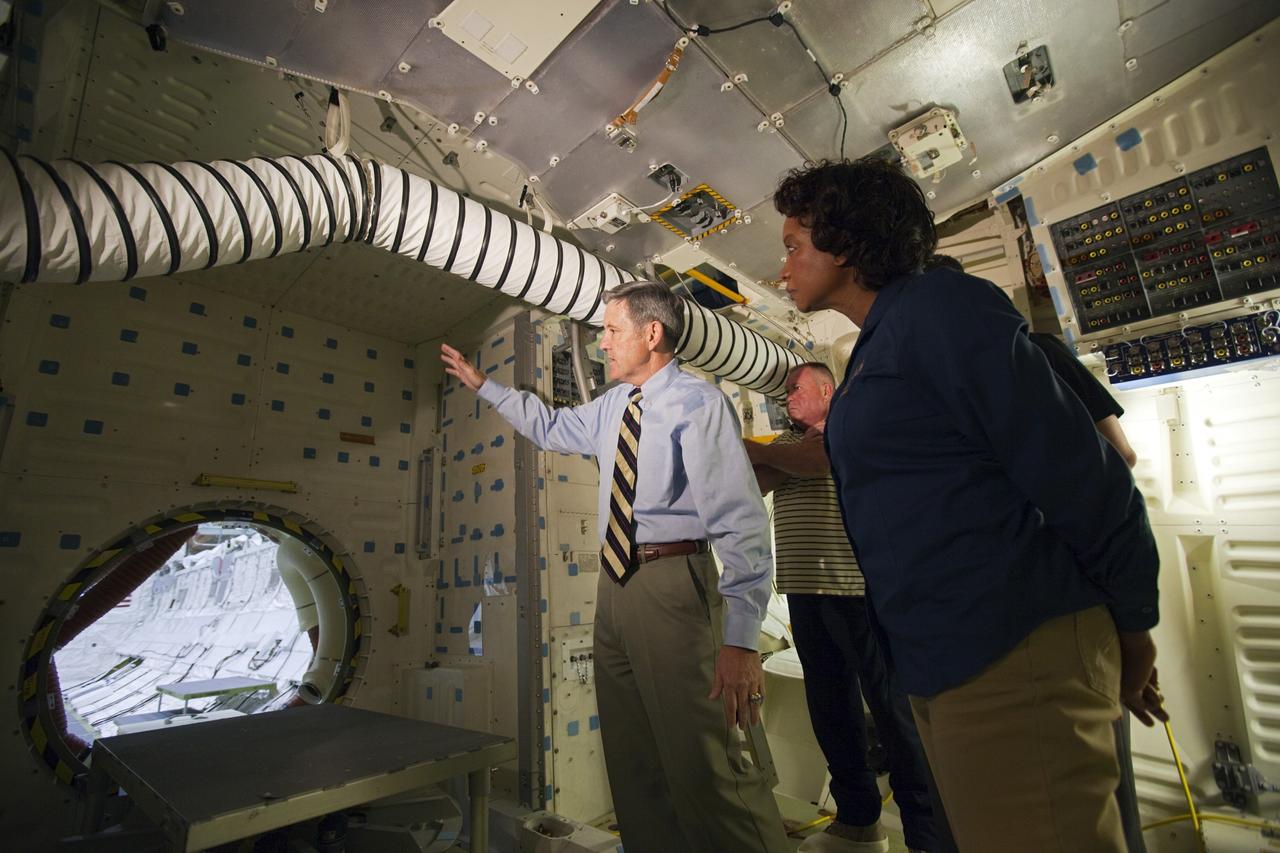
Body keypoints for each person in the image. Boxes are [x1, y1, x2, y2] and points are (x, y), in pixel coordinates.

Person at [773, 157, 1168, 853]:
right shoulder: (878, 347)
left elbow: (1086, 475)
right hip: (946, 662)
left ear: (844, 242)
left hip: (1013, 657)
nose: (782, 268)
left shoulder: (939, 310)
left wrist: (1135, 624)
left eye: (793, 246)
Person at [440, 281, 790, 853]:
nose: (602, 343)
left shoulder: (698, 404)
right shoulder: (611, 406)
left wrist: (743, 640)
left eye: (612, 330)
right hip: (616, 587)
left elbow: (740, 522)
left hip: (674, 586)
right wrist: (488, 388)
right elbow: (552, 428)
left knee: (704, 757)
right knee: (634, 757)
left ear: (652, 334)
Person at [926, 254, 1146, 852]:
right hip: (1044, 598)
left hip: (1066, 594)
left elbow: (1116, 458)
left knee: (1089, 782)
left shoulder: (1033, 352)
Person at [747, 362, 952, 853]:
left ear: (826, 388)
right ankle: (858, 819)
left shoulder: (851, 428)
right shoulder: (783, 445)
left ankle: (928, 834)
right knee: (831, 709)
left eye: (796, 388)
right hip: (804, 591)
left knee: (892, 709)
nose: (788, 397)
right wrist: (780, 456)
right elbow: (753, 482)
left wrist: (752, 448)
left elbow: (817, 462)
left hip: (857, 590)